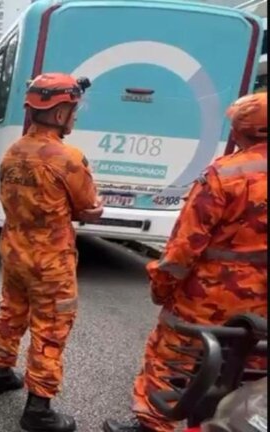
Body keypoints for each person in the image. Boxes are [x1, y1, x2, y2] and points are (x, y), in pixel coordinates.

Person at [103, 93, 268, 432]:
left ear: (239, 132)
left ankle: (152, 425)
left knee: (171, 358)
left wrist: (161, 287)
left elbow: (183, 248)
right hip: (263, 311)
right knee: (249, 369)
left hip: (207, 299)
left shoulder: (226, 175)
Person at [0, 73, 102, 432]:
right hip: (50, 262)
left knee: (12, 312)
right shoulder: (68, 158)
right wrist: (93, 210)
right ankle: (38, 409)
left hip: (14, 252)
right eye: (72, 110)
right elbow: (86, 206)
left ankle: (1, 373)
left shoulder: (12, 153)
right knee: (51, 328)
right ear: (57, 114)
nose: (75, 116)